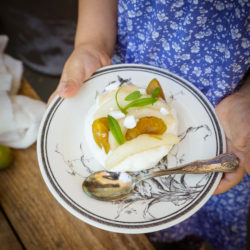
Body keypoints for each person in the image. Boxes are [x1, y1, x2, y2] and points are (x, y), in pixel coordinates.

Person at [49, 1, 250, 249]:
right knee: (149, 221)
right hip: (123, 67)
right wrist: (91, 44)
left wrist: (246, 96)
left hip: (220, 107)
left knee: (209, 202)